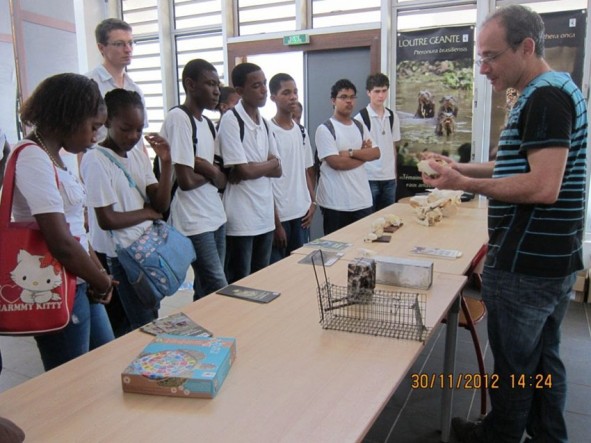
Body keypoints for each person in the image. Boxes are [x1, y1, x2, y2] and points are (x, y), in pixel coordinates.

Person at [421, 5, 587, 442]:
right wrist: (458, 170)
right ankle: (547, 436)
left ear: (527, 47)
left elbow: (542, 186)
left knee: (515, 370)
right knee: (542, 362)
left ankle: (499, 435)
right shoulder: (549, 91)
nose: (483, 68)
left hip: (528, 265)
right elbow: (513, 166)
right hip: (549, 259)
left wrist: (463, 184)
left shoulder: (546, 97)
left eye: (491, 56)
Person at [12, 73, 115, 370]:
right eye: (92, 127)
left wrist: (97, 271)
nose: (95, 137)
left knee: (103, 365)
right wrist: (102, 280)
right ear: (69, 117)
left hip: (80, 280)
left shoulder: (53, 155)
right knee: (72, 380)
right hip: (58, 284)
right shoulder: (32, 157)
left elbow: (76, 231)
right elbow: (60, 241)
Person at [81, 89, 172, 331]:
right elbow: (107, 219)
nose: (133, 136)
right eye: (126, 128)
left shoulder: (138, 156)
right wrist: (147, 213)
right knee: (129, 328)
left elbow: (161, 205)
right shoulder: (96, 159)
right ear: (107, 121)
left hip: (143, 249)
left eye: (139, 130)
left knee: (149, 319)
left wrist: (166, 162)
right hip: (114, 257)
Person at [160, 59, 228, 300]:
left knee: (206, 288)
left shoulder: (208, 124)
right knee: (219, 285)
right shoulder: (179, 118)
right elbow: (186, 180)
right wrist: (210, 171)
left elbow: (222, 179)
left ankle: (202, 335)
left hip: (215, 215)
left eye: (217, 84)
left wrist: (206, 167)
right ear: (190, 84)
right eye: (210, 84)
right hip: (193, 219)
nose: (216, 90)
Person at [218, 62, 281, 283]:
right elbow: (243, 171)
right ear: (240, 91)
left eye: (264, 83)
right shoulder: (231, 120)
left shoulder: (264, 124)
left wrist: (257, 167)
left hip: (264, 215)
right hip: (241, 218)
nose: (264, 90)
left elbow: (278, 169)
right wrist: (267, 164)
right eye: (256, 85)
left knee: (261, 280)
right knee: (239, 282)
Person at [314, 78, 380, 235]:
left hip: (362, 201)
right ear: (333, 101)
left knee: (363, 249)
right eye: (343, 97)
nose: (349, 101)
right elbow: (337, 163)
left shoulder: (359, 125)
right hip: (336, 204)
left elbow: (376, 153)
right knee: (338, 252)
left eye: (352, 97)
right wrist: (364, 155)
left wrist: (351, 153)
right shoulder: (325, 129)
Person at [268, 73, 315, 263]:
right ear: (273, 97)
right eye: (286, 93)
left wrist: (313, 202)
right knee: (278, 272)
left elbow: (305, 170)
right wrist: (275, 222)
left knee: (300, 269)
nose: (293, 96)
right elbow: (267, 180)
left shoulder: (300, 131)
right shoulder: (268, 130)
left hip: (301, 214)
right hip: (279, 216)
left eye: (295, 92)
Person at [86, 18, 148, 144]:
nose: (128, 49)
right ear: (101, 47)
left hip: (131, 161)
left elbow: (139, 140)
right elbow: (82, 139)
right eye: (119, 44)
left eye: (130, 43)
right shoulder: (88, 85)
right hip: (101, 160)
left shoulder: (134, 88)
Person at [354, 73, 401, 211]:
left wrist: (394, 174)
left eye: (384, 91)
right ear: (368, 92)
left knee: (389, 220)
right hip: (369, 177)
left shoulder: (392, 116)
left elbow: (393, 147)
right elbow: (358, 150)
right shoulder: (360, 118)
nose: (381, 95)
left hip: (389, 179)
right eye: (377, 91)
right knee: (368, 221)